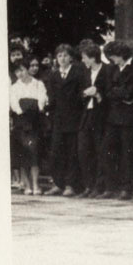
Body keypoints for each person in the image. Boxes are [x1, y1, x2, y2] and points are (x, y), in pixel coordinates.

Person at [100, 41, 133, 200]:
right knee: (108, 150)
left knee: (127, 153)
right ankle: (111, 186)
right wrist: (120, 94)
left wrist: (117, 93)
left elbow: (130, 93)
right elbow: (108, 91)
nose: (112, 60)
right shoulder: (112, 69)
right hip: (113, 116)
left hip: (129, 118)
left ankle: (127, 187)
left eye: (114, 56)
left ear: (121, 54)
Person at [43, 44, 86, 197]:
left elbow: (81, 96)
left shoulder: (78, 73)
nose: (62, 58)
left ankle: (70, 185)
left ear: (71, 57)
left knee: (72, 153)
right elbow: (52, 98)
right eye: (60, 56)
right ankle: (58, 183)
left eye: (65, 55)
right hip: (58, 120)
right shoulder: (53, 75)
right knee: (57, 152)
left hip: (74, 119)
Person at [77, 43, 113, 198]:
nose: (83, 60)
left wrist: (98, 95)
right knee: (84, 150)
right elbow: (79, 93)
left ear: (93, 58)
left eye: (85, 58)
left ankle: (101, 186)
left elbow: (110, 92)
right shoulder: (85, 72)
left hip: (102, 116)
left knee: (101, 151)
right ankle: (88, 185)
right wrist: (85, 94)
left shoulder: (107, 70)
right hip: (87, 115)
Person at [9, 59, 48, 195]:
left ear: (27, 69)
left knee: (34, 152)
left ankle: (36, 184)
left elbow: (42, 98)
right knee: (22, 153)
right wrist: (21, 113)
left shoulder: (38, 84)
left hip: (35, 120)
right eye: (17, 71)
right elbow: (13, 102)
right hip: (21, 121)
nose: (20, 73)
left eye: (22, 70)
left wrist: (38, 108)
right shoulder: (14, 87)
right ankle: (27, 185)